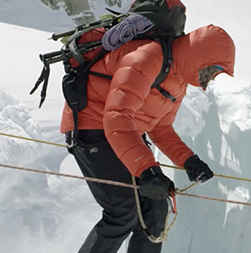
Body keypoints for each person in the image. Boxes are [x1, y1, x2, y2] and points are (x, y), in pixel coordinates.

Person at [60, 24, 235, 253]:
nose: (211, 77)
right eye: (214, 69)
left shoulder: (178, 78)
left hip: (122, 134)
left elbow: (160, 127)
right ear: (200, 56)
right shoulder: (147, 57)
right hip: (91, 129)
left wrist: (188, 160)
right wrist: (147, 170)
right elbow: (117, 117)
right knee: (122, 214)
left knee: (156, 208)